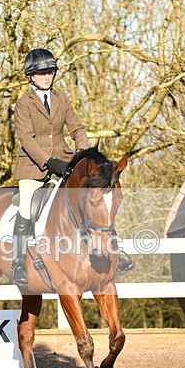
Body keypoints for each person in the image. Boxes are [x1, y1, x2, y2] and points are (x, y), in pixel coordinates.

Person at [10, 48, 134, 286]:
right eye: (42, 73)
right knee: (26, 206)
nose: (47, 76)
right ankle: (18, 263)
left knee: (94, 200)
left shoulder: (61, 98)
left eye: (50, 72)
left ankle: (117, 252)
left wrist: (81, 152)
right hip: (33, 168)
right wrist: (48, 161)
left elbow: (77, 128)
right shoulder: (23, 104)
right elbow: (27, 140)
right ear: (31, 76)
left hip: (65, 163)